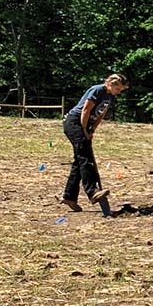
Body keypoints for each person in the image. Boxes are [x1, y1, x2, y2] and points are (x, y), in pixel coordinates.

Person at [61, 74, 128, 216]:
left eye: (120, 90)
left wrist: (92, 130)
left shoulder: (110, 97)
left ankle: (69, 196)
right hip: (75, 123)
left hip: (86, 126)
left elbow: (100, 115)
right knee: (86, 158)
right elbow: (85, 110)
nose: (118, 92)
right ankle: (93, 192)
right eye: (118, 88)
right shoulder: (97, 90)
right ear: (110, 83)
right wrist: (84, 129)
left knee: (80, 161)